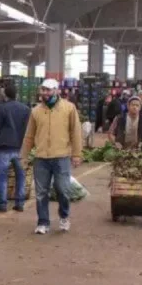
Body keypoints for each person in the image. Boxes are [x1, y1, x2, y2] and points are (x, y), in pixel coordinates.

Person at [20, 78, 83, 235]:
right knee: (41, 192)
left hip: (61, 157)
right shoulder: (36, 111)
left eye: (48, 90)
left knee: (62, 190)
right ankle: (43, 222)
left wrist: (76, 154)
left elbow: (75, 132)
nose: (45, 93)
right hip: (41, 158)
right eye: (43, 90)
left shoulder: (69, 108)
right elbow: (29, 135)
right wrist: (23, 156)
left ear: (56, 91)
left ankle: (64, 216)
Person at [0, 84, 31, 213]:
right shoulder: (25, 109)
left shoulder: (0, 108)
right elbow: (28, 130)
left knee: (2, 176)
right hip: (20, 147)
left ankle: (2, 204)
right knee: (21, 175)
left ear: (5, 95)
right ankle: (20, 203)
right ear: (16, 95)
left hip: (4, 146)